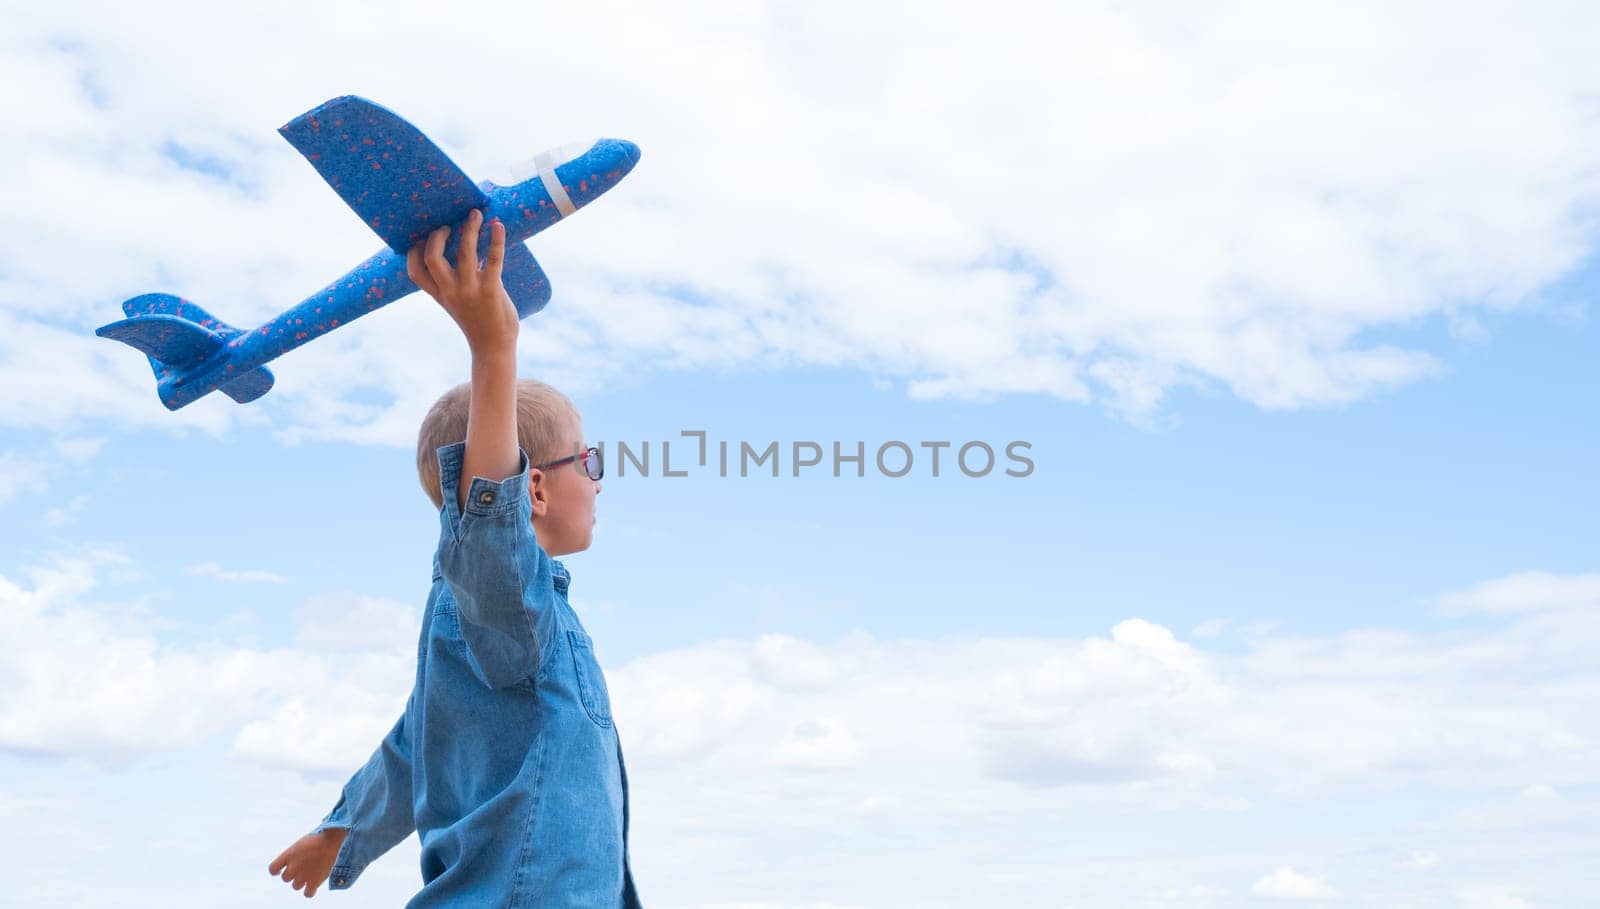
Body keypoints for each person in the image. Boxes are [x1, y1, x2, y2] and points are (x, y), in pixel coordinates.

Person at [267, 209, 640, 906]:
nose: (598, 475)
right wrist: (494, 351)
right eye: (588, 459)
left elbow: (418, 747)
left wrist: (344, 829)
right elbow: (488, 527)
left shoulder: (500, 622)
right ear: (532, 486)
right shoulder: (505, 600)